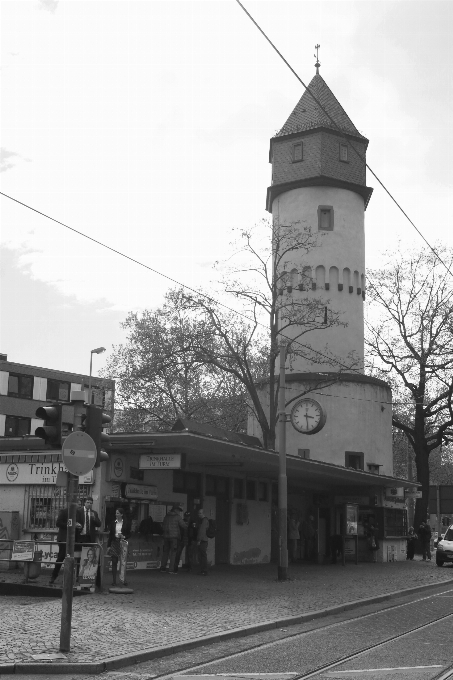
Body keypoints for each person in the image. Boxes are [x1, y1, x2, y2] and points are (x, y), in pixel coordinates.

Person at [49, 504, 84, 584]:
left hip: (75, 539)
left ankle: (74, 577)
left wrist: (79, 526)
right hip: (64, 539)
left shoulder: (78, 513)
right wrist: (71, 525)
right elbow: (58, 523)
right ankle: (54, 576)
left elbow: (81, 523)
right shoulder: (64, 511)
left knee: (75, 558)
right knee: (61, 557)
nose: (77, 505)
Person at [160, 505, 187, 574]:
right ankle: (171, 569)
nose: (179, 512)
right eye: (178, 510)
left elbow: (162, 527)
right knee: (173, 553)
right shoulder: (177, 517)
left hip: (166, 537)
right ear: (175, 510)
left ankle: (162, 567)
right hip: (174, 537)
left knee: (165, 552)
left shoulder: (166, 517)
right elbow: (184, 526)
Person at [107, 507, 131, 586]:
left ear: (121, 514)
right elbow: (110, 535)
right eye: (116, 513)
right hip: (115, 542)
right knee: (114, 561)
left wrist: (124, 536)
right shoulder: (113, 523)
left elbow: (129, 534)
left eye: (117, 513)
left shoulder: (126, 523)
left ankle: (123, 579)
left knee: (123, 561)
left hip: (123, 542)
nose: (116, 515)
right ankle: (114, 580)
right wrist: (108, 545)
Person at [196, 508, 210, 576]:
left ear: (203, 513)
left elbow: (202, 531)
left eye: (200, 513)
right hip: (204, 539)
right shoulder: (204, 520)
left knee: (202, 555)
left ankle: (204, 570)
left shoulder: (204, 520)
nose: (199, 515)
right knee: (202, 555)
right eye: (198, 513)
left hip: (202, 540)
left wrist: (199, 540)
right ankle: (203, 570)